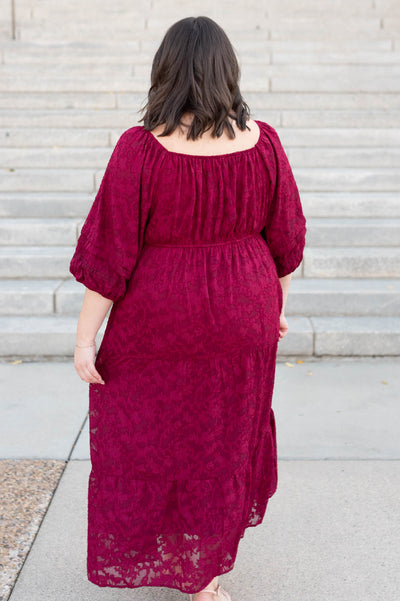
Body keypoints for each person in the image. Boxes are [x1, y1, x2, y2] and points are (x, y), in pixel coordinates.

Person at [69, 15, 307, 601]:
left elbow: (108, 255)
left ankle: (184, 562)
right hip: (244, 313)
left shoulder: (140, 151)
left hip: (160, 320)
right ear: (228, 72)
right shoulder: (265, 143)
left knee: (148, 433)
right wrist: (274, 306)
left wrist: (83, 340)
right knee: (223, 436)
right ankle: (207, 573)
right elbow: (287, 243)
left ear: (166, 73)